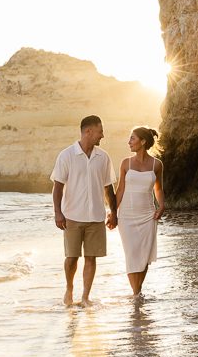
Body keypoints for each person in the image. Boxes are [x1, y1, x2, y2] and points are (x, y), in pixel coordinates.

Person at [51, 115, 118, 306]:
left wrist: (114, 212)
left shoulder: (103, 157)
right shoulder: (66, 156)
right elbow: (58, 187)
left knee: (91, 257)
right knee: (71, 258)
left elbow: (108, 188)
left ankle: (85, 296)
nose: (102, 135)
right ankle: (69, 289)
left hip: (96, 216)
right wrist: (58, 212)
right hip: (72, 215)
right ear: (88, 131)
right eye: (100, 131)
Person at [115, 126, 165, 295]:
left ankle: (137, 293)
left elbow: (158, 189)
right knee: (131, 255)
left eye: (132, 138)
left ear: (143, 142)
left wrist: (162, 206)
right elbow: (120, 190)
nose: (129, 142)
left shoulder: (156, 165)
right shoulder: (125, 163)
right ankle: (136, 294)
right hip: (127, 216)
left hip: (148, 215)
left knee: (143, 257)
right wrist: (113, 212)